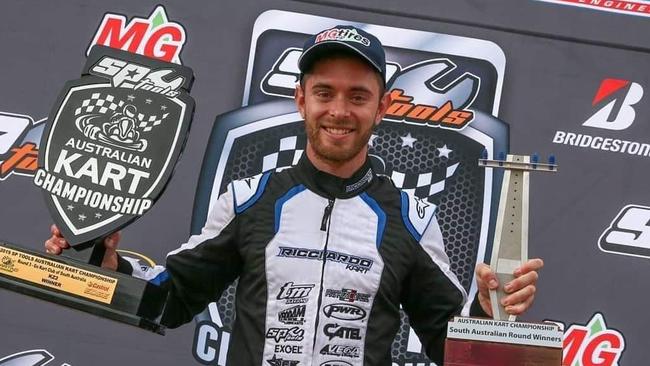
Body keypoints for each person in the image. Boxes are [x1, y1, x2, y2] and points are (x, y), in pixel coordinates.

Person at [46, 25, 543, 365]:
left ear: (383, 107)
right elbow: (172, 299)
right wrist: (103, 258)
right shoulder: (249, 199)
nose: (339, 110)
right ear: (301, 98)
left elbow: (448, 347)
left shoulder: (412, 218)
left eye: (358, 96)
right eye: (325, 93)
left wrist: (487, 310)